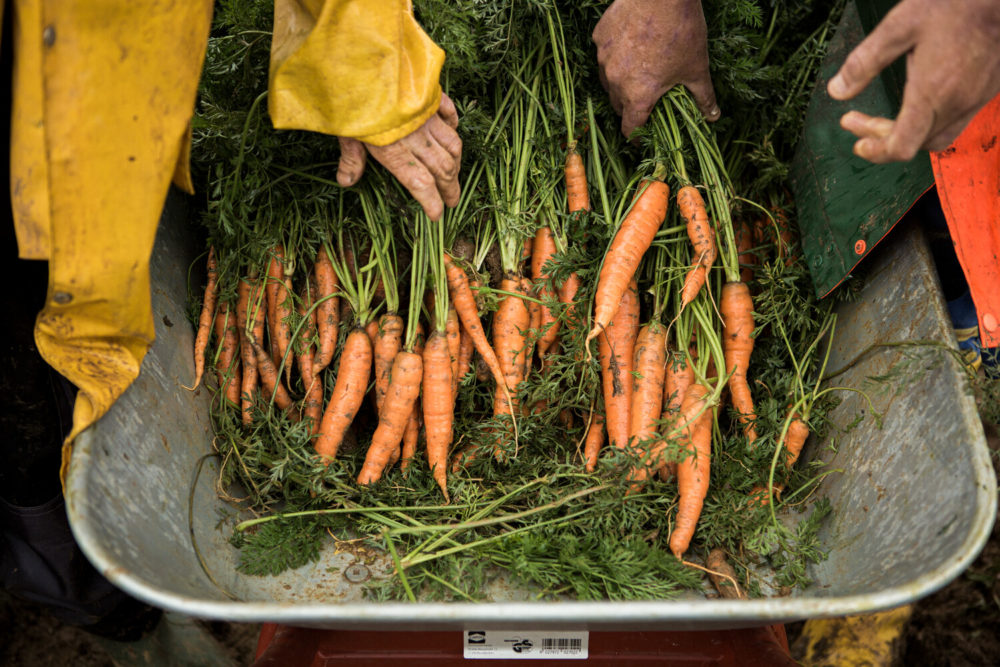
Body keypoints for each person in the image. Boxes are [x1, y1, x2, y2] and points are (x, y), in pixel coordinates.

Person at [2, 0, 460, 641]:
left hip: (87, 73)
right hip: (75, 73)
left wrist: (363, 73)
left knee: (40, 360)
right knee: (28, 394)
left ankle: (91, 586)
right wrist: (371, 76)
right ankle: (92, 590)